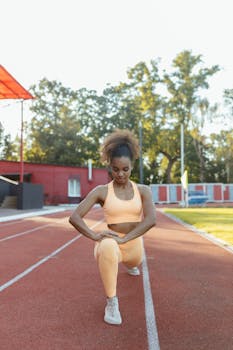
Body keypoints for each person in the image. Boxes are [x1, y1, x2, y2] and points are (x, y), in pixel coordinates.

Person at [69, 129, 156, 325]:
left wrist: (125, 239)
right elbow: (75, 217)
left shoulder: (143, 190)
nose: (120, 174)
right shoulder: (101, 191)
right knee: (107, 245)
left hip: (133, 245)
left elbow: (151, 220)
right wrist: (95, 235)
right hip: (112, 243)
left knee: (134, 262)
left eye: (125, 169)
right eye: (116, 169)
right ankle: (111, 302)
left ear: (132, 166)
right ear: (110, 168)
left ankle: (132, 265)